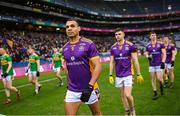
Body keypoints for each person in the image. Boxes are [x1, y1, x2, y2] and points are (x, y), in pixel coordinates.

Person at [62, 19, 102, 115]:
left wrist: (90, 86)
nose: (69, 29)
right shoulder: (64, 48)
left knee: (96, 113)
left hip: (88, 88)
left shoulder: (88, 44)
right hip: (72, 90)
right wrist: (68, 86)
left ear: (79, 28)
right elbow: (68, 69)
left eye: (72, 26)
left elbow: (98, 66)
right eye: (67, 27)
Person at [109, 28, 144, 115]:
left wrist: (138, 73)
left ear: (124, 34)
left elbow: (135, 60)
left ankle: (132, 109)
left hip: (128, 73)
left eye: (119, 34)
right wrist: (110, 74)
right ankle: (126, 110)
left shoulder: (130, 45)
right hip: (118, 75)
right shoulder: (113, 47)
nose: (117, 36)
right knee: (122, 95)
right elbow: (112, 62)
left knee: (127, 95)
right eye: (116, 34)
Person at [145, 32, 166, 100]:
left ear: (156, 36)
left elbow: (164, 54)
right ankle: (155, 92)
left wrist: (163, 62)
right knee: (153, 79)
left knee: (160, 79)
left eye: (154, 35)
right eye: (152, 35)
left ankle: (161, 87)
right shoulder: (148, 45)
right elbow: (146, 53)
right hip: (151, 65)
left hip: (159, 64)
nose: (153, 36)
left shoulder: (160, 44)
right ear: (150, 37)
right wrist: (147, 56)